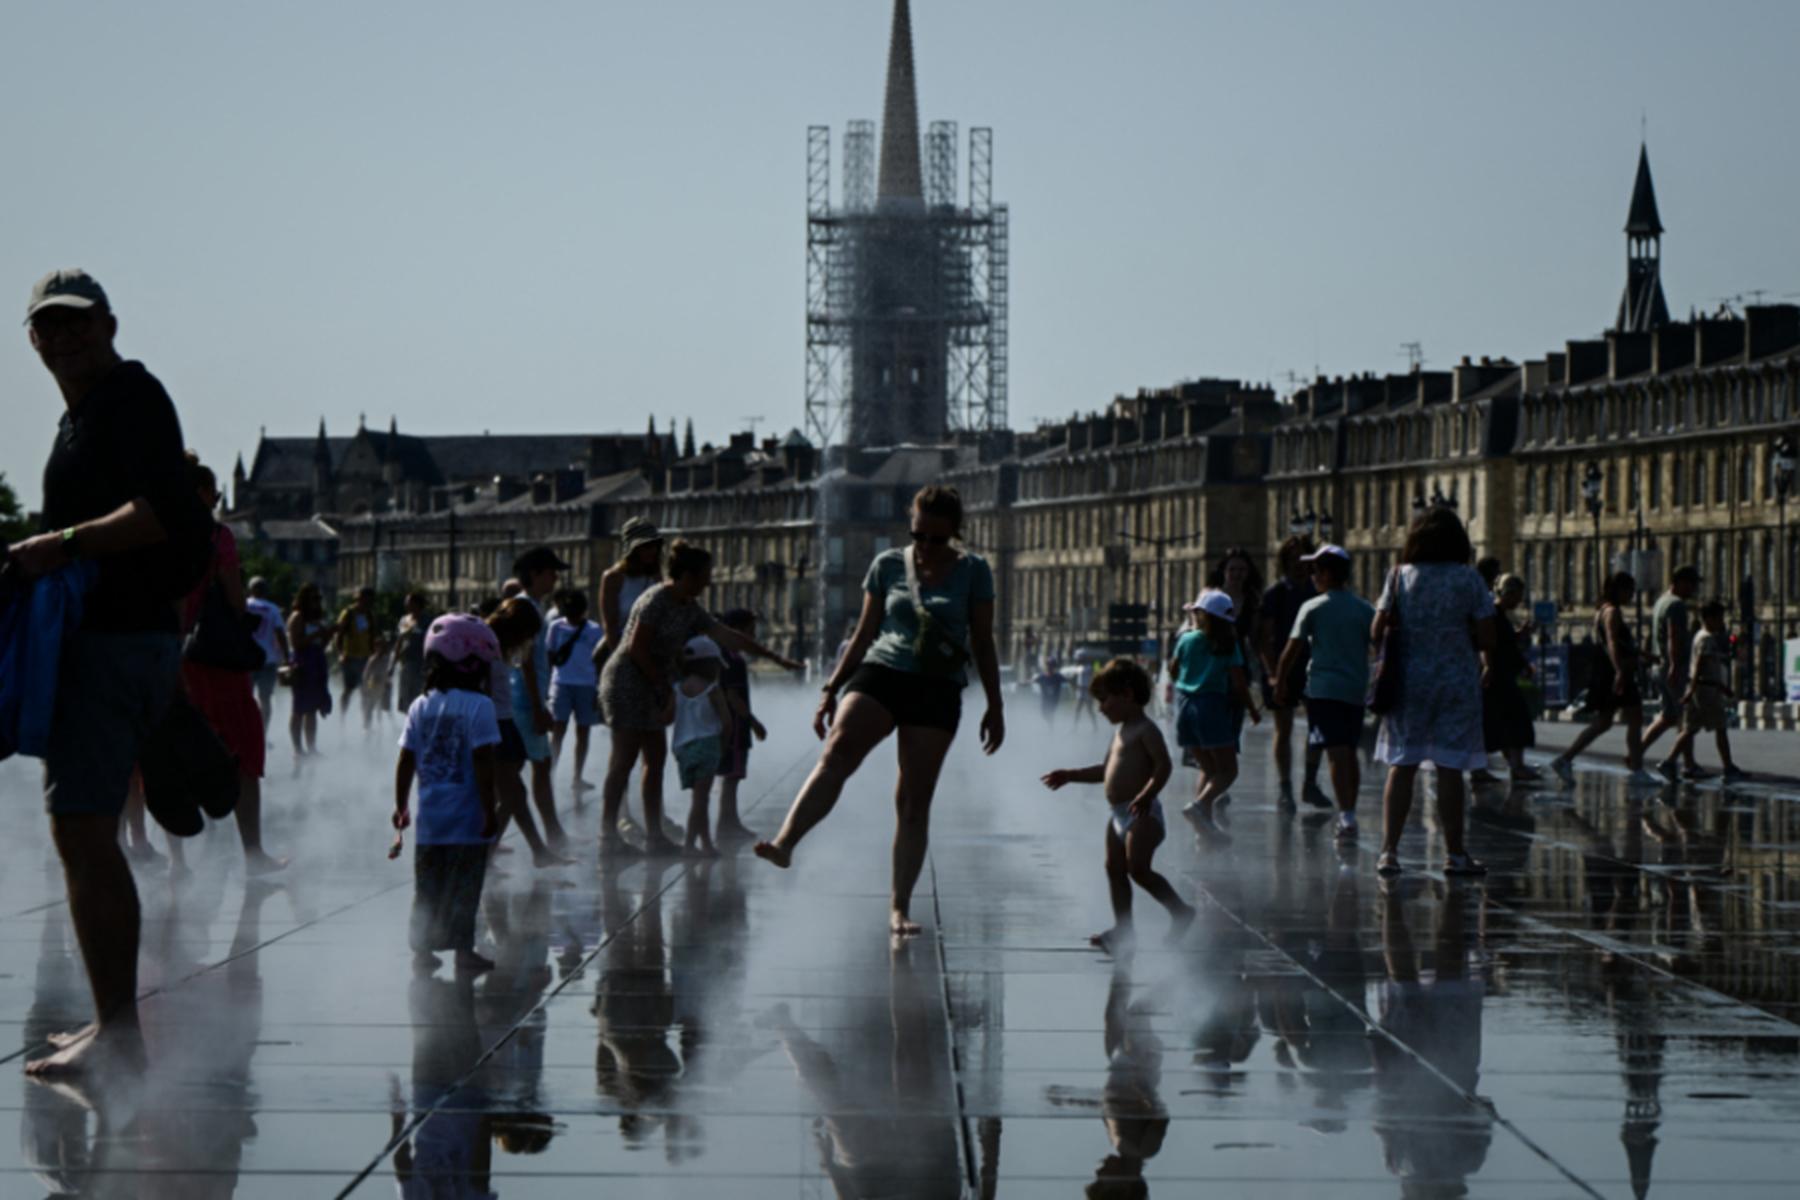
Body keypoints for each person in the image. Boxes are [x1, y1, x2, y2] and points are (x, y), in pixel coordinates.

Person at [9, 268, 212, 1077]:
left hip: (113, 643)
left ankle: (117, 1037)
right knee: (85, 831)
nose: (63, 338)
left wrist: (55, 546)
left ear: (110, 323)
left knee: (83, 831)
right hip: (112, 639)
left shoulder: (130, 399)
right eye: (47, 327)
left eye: (77, 323)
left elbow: (161, 513)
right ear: (32, 339)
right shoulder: (89, 413)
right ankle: (111, 1026)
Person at [754, 486, 1005, 938]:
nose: (926, 546)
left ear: (954, 533)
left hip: (937, 686)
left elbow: (983, 643)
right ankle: (785, 842)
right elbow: (865, 632)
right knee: (837, 751)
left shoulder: (974, 572)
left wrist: (995, 705)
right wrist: (830, 688)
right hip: (882, 671)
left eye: (937, 539)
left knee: (912, 802)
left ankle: (899, 908)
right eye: (918, 534)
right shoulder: (888, 565)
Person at [602, 541, 799, 857]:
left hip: (653, 683)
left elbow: (727, 636)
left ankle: (655, 835)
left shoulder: (688, 607)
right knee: (624, 760)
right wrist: (662, 686)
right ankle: (608, 836)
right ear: (688, 576)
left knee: (655, 760)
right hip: (627, 681)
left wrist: (776, 657)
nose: (709, 581)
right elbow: (637, 648)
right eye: (705, 575)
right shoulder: (656, 600)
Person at [1371, 508, 1499, 877]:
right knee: (1450, 767)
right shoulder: (1469, 580)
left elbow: (1376, 630)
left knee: (1403, 764)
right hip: (1455, 681)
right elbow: (1488, 636)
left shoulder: (1399, 577)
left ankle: (1389, 852)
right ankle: (1455, 854)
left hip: (1409, 680)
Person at [1041, 658, 1195, 954]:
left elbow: (1163, 766)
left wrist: (1147, 795)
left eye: (1104, 700)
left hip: (1143, 813)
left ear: (1127, 694)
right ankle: (1124, 931)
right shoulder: (1120, 732)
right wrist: (1071, 775)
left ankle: (1180, 911)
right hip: (1118, 815)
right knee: (1114, 868)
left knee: (1138, 869)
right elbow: (1105, 770)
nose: (1100, 708)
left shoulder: (1146, 730)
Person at [179, 456, 285, 874]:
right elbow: (237, 600)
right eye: (215, 493)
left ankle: (178, 858)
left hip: (174, 657)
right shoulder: (217, 536)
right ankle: (253, 852)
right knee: (243, 750)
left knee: (179, 750)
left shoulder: (159, 534)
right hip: (217, 659)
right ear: (203, 493)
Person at [393, 613, 503, 974]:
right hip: (466, 821)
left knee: (428, 889)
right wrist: (490, 810)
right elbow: (484, 762)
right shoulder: (480, 707)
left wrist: (400, 805)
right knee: (464, 890)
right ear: (474, 665)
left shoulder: (419, 705)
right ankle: (463, 952)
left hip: (430, 823)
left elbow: (405, 760)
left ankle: (422, 951)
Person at [1273, 544, 1372, 842]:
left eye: (1315, 570)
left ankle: (1347, 817)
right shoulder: (1364, 608)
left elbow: (1291, 651)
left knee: (1335, 753)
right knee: (1349, 752)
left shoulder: (1313, 607)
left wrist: (1279, 683)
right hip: (1355, 689)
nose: (1311, 575)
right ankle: (1350, 811)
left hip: (1323, 690)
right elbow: (1381, 647)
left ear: (1328, 574)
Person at [1548, 573, 1658, 787]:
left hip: (1608, 672)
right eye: (1629, 590)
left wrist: (1644, 655)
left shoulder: (1603, 610)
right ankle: (1636, 770)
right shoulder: (1612, 612)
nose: (1632, 596)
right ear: (1618, 590)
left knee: (1604, 722)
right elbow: (1612, 643)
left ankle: (1565, 759)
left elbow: (1623, 644)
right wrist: (1619, 671)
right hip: (1616, 672)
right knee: (1634, 718)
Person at [1170, 589, 1259, 842]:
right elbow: (1239, 684)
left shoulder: (1186, 639)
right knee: (1228, 771)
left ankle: (1203, 828)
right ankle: (1200, 807)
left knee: (1209, 770)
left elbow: (1174, 670)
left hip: (1185, 707)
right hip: (1211, 706)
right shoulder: (1228, 644)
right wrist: (1252, 709)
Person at [485, 598, 569, 868]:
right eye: (527, 634)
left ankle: (531, 852)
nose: (528, 641)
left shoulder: (500, 644)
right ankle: (490, 854)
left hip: (504, 721)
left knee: (512, 793)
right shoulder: (486, 644)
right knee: (511, 792)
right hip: (493, 726)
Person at [511, 546, 571, 851]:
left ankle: (552, 834)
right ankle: (552, 836)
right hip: (522, 702)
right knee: (527, 771)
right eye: (551, 572)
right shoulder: (526, 609)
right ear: (534, 574)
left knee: (523, 772)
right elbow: (525, 661)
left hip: (524, 700)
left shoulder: (530, 605)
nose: (556, 578)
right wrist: (537, 707)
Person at [1262, 536, 1327, 812]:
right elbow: (1264, 637)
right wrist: (1273, 673)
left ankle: (1309, 783)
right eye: (1294, 561)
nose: (1299, 566)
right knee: (1284, 728)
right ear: (1285, 563)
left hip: (1314, 667)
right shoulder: (1275, 594)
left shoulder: (1318, 594)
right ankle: (1285, 787)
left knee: (1318, 730)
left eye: (1304, 560)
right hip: (1284, 666)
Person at [1656, 601, 1747, 783]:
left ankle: (1669, 762)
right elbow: (1700, 666)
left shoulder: (1700, 636)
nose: (1722, 622)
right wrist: (1702, 689)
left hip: (1701, 688)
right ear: (1709, 619)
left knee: (1691, 729)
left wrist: (1694, 689)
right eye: (1719, 618)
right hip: (1706, 691)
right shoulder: (1706, 639)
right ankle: (1728, 768)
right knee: (1720, 728)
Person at [671, 636, 734, 858]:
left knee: (699, 798)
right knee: (701, 800)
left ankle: (706, 843)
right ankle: (689, 844)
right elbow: (727, 722)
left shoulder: (677, 689)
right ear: (709, 664)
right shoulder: (712, 689)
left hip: (682, 748)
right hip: (707, 745)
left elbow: (668, 717)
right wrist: (723, 746)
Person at [1641, 566, 1703, 777]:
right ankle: (1686, 764)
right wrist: (1676, 664)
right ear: (1681, 582)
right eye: (1692, 584)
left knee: (1668, 717)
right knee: (1686, 719)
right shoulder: (1676, 605)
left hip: (1660, 665)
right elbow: (1672, 635)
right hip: (1672, 666)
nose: (1693, 590)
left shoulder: (1661, 601)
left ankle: (1637, 752)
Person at [714, 608, 769, 842]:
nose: (752, 638)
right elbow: (734, 698)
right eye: (749, 632)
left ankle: (730, 820)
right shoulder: (732, 660)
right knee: (731, 776)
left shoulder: (725, 655)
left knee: (731, 775)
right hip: (735, 726)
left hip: (730, 724)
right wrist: (754, 722)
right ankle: (726, 823)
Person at [1481, 575, 1541, 783]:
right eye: (1518, 596)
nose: (1519, 601)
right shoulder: (1493, 614)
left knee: (1503, 724)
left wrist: (1519, 634)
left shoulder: (1499, 615)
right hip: (1499, 676)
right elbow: (1488, 642)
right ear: (1508, 593)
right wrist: (1488, 665)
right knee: (1518, 722)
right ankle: (1517, 767)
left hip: (1501, 675)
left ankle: (1515, 766)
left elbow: (1503, 642)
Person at [546, 589, 604, 795]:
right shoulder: (556, 627)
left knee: (583, 732)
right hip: (562, 683)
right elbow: (550, 655)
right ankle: (550, 774)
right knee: (558, 732)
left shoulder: (595, 630)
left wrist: (599, 688)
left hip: (587, 685)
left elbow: (600, 660)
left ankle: (577, 776)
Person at [286, 582, 333, 762]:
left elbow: (321, 645)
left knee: (312, 709)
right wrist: (316, 635)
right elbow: (296, 644)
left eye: (319, 598)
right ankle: (298, 748)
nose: (317, 602)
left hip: (317, 661)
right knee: (299, 708)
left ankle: (312, 747)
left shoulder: (316, 618)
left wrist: (327, 636)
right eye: (314, 598)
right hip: (302, 663)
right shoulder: (297, 617)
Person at [245, 577, 289, 729]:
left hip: (246, 659)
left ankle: (246, 729)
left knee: (245, 698)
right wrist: (286, 656)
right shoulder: (273, 609)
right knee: (265, 699)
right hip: (268, 659)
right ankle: (263, 732)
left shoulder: (244, 605)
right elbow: (280, 633)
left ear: (250, 589)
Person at [331, 586, 377, 725]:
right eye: (363, 598)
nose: (366, 602)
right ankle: (342, 720)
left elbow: (373, 636)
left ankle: (366, 723)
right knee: (348, 689)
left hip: (366, 658)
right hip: (350, 657)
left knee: (367, 691)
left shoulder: (369, 615)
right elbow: (338, 634)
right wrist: (340, 653)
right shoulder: (348, 613)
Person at [393, 592, 430, 714]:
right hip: (406, 664)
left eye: (409, 603)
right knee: (405, 697)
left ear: (418, 604)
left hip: (421, 664)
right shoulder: (404, 620)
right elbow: (399, 641)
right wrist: (393, 664)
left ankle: (418, 723)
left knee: (419, 696)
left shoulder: (427, 621)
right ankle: (409, 723)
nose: (406, 605)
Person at [1034, 657, 1068, 723]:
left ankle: (1051, 729)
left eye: (1051, 665)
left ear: (1054, 667)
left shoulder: (1058, 676)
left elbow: (1068, 681)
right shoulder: (1042, 676)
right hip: (1045, 700)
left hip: (1054, 700)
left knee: (1050, 713)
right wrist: (1021, 683)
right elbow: (1032, 681)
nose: (1049, 667)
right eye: (1048, 665)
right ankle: (1050, 726)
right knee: (1044, 714)